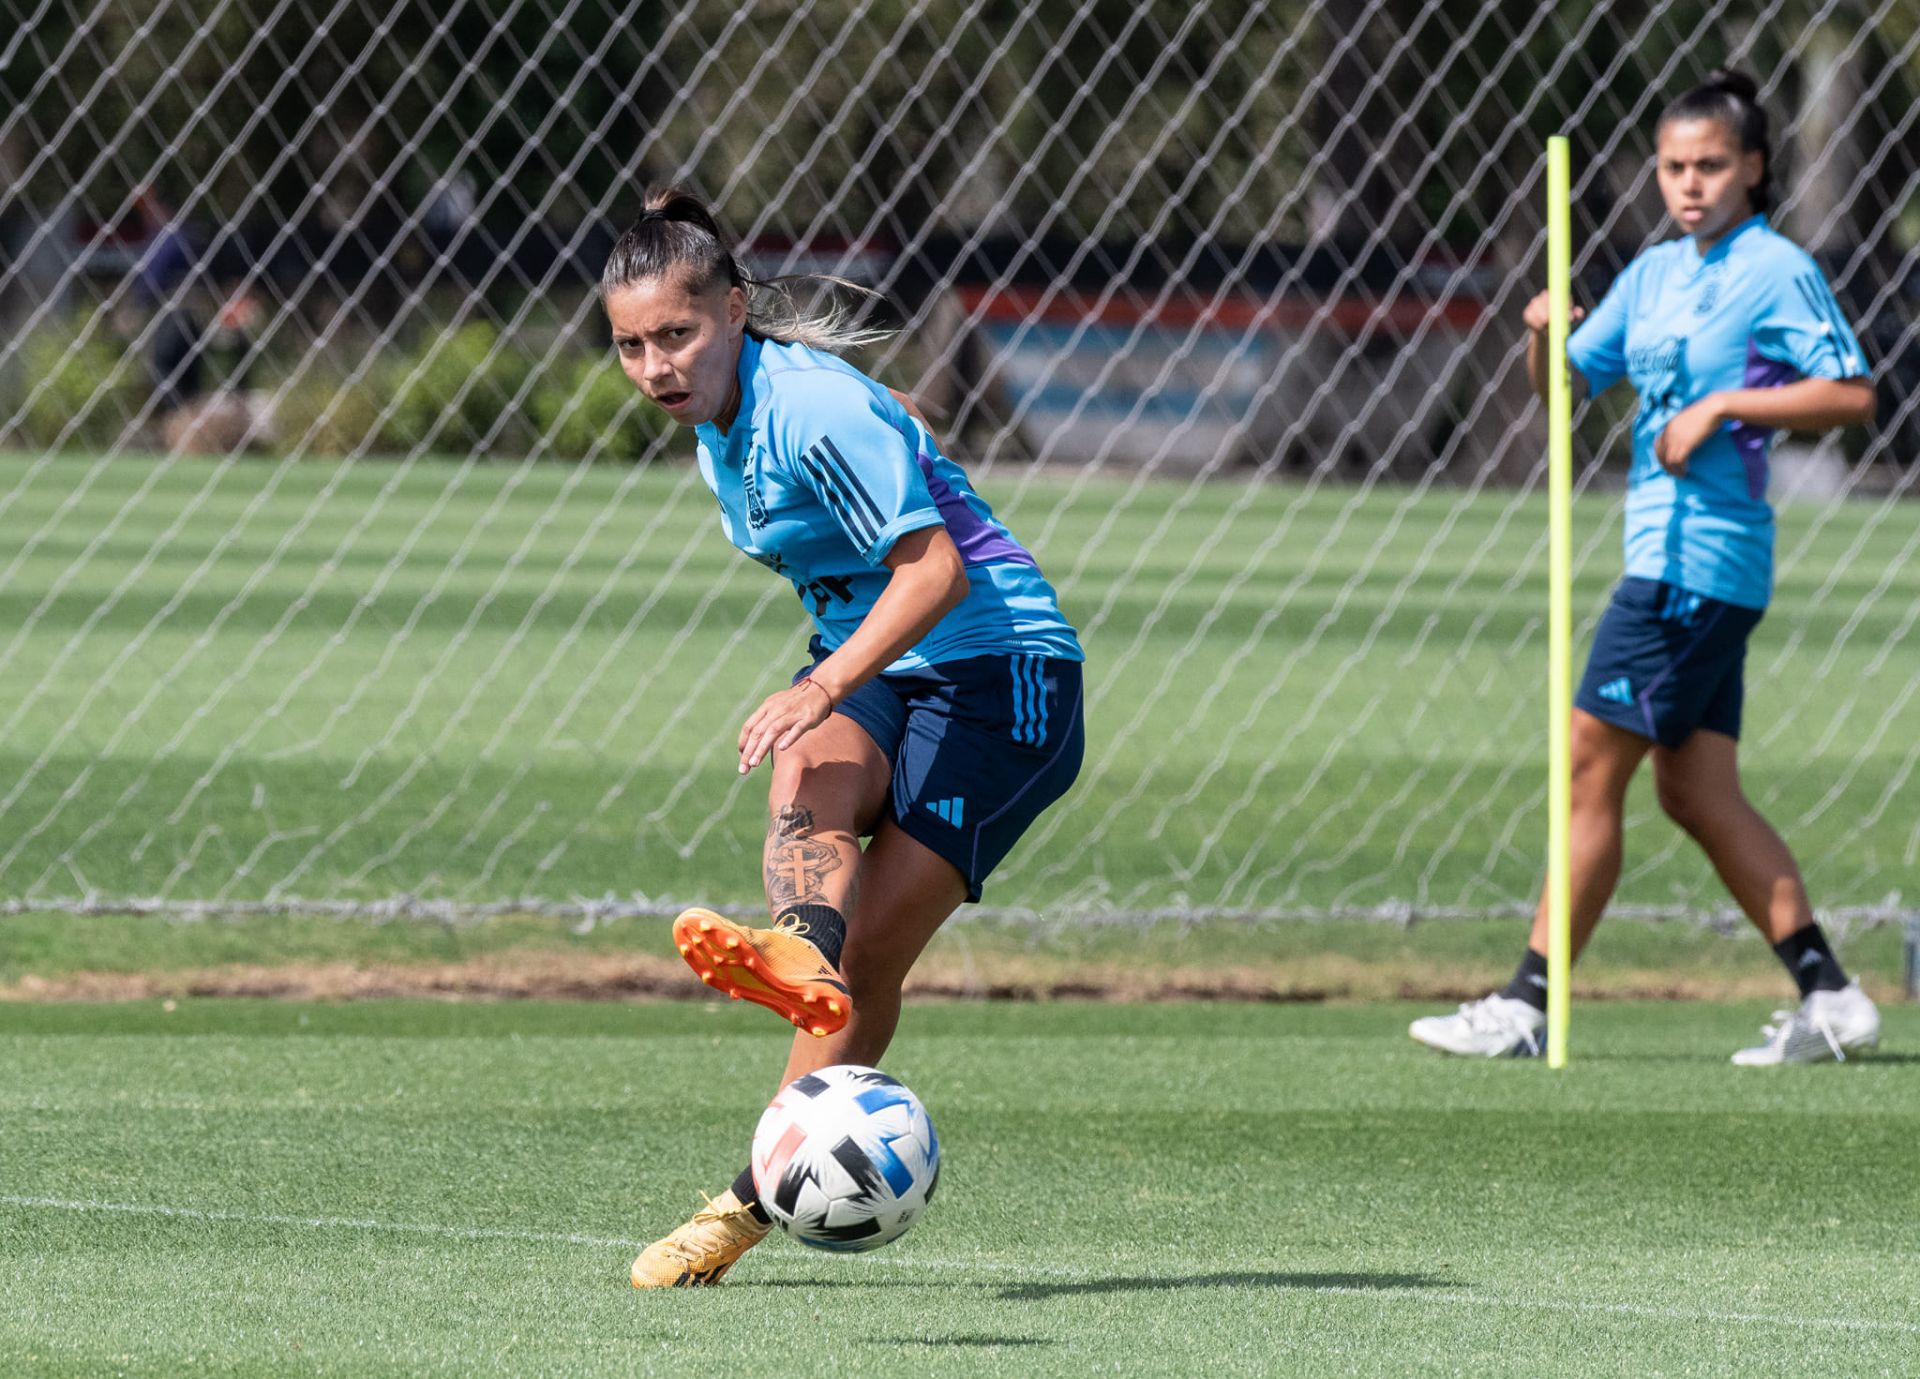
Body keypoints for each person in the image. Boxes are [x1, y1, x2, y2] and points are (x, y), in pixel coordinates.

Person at [602, 190, 1086, 1286]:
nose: (656, 366)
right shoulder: (727, 418)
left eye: (677, 334)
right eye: (631, 345)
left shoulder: (810, 407)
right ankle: (796, 951)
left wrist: (822, 682)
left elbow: (936, 571)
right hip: (886, 663)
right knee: (808, 772)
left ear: (733, 310)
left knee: (870, 960)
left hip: (1002, 675)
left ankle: (742, 1205)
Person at [1409, 70, 1879, 1065]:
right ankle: (1830, 993)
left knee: (1590, 761)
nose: (1690, 184)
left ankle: (1527, 1002)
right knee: (1697, 791)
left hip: (1697, 562)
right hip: (1667, 555)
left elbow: (1849, 392)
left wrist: (1723, 406)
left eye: (1711, 165)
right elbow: (1568, 385)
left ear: (1753, 168)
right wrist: (1542, 335)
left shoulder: (1775, 268)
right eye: (1674, 167)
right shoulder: (1657, 273)